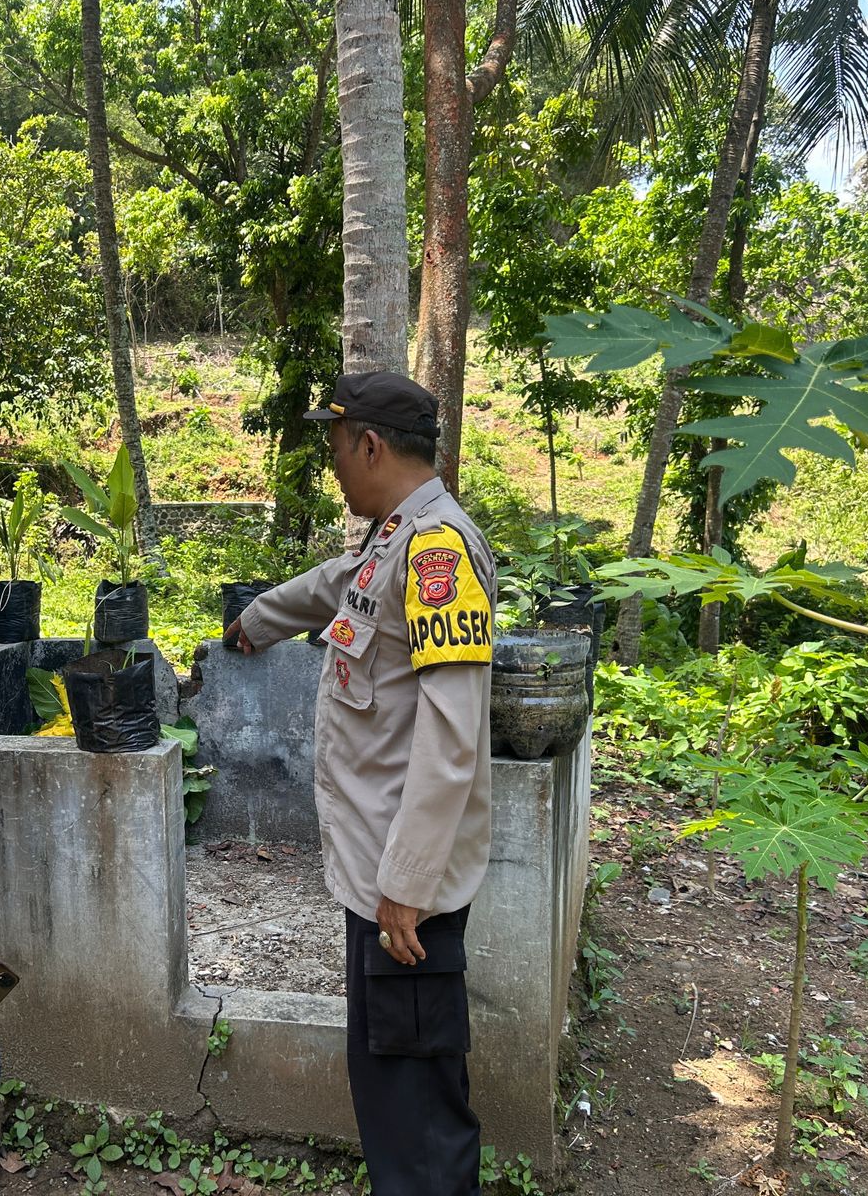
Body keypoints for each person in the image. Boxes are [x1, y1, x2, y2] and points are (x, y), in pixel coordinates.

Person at [229, 372, 495, 1195]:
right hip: (378, 871)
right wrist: (256, 623)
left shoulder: (440, 551)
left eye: (337, 449)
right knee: (388, 1083)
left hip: (404, 889)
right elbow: (335, 586)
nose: (334, 466)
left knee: (415, 1105)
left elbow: (451, 738)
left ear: (371, 446)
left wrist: (407, 886)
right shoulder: (395, 537)